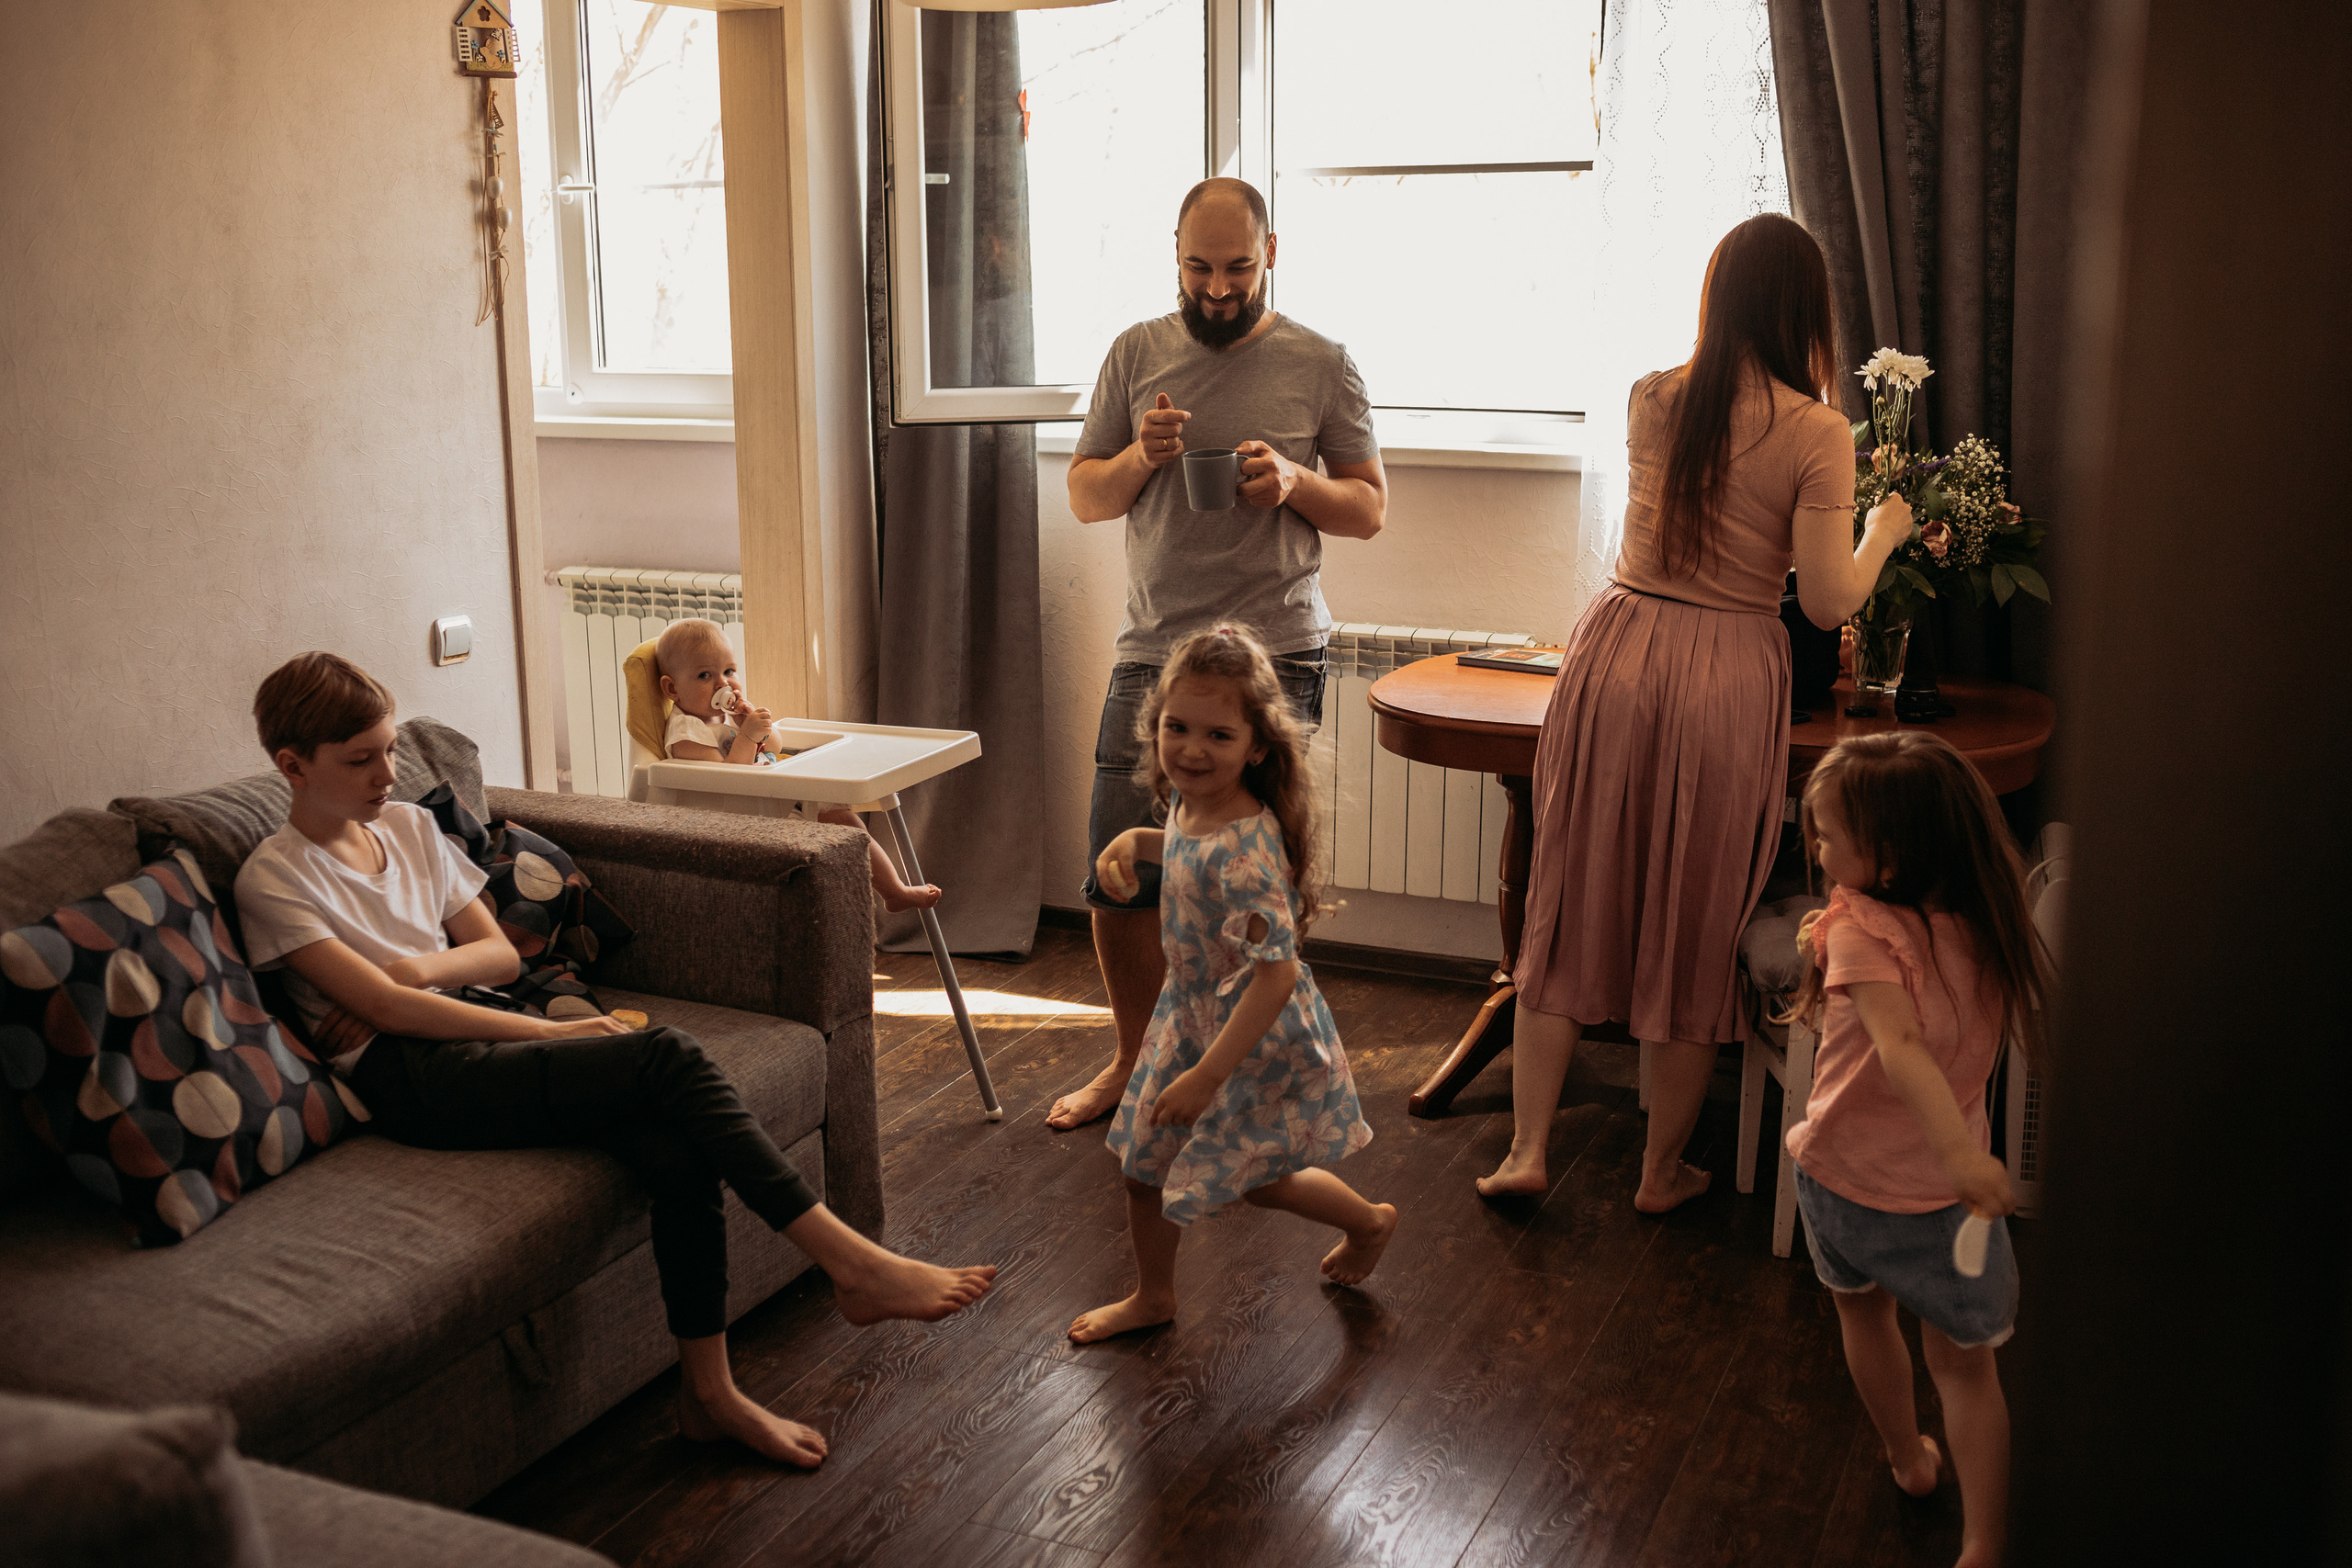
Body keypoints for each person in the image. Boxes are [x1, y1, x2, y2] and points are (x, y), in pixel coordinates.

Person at [232, 652, 995, 1469]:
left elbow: (494, 956)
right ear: (292, 765)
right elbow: (385, 1016)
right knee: (662, 1054)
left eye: (389, 748)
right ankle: (851, 1262)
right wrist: (552, 1033)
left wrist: (417, 965)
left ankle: (710, 1395)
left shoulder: (413, 829)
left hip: (474, 1018)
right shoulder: (274, 879)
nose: (389, 771)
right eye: (361, 759)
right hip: (410, 1076)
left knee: (673, 1142)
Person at [1476, 213, 1917, 1213]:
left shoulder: (1652, 397)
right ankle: (1658, 1170)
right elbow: (1825, 602)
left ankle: (1528, 1150)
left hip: (1618, 647)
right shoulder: (1816, 431)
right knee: (1691, 918)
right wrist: (1884, 531)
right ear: (1807, 310)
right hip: (1722, 665)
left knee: (1567, 897)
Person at [1050, 175, 1387, 1133]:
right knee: (1117, 872)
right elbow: (1086, 496)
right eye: (1198, 267)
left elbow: (1368, 507)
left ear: (1270, 253)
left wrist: (1292, 482)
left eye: (1237, 266)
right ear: (1175, 255)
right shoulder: (1134, 353)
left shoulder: (1321, 362)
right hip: (1153, 653)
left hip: (1279, 652)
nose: (1217, 287)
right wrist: (1142, 459)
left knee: (1257, 885)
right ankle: (1132, 1060)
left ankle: (1241, 1071)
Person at [1069, 627, 1393, 1341]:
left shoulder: (1248, 849)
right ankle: (1155, 1295)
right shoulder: (1194, 807)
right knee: (1141, 1166)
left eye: (1218, 734)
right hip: (1188, 1019)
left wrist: (1209, 1075)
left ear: (1256, 746)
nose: (1190, 748)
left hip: (1248, 1037)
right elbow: (1188, 848)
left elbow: (1274, 977)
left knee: (1263, 1179)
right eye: (1175, 727)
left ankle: (1368, 1222)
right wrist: (1137, 841)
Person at [1781, 730, 2050, 1568]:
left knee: (1862, 1311)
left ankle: (1908, 1459)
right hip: (1934, 1188)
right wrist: (1966, 1158)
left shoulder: (1864, 928)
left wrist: (1967, 1165)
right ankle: (1984, 1540)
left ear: (1889, 858)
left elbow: (1901, 1049)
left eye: (1828, 835)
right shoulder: (1992, 916)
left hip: (1858, 1176)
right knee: (1965, 1368)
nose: (1817, 848)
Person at [655, 617, 940, 914]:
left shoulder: (725, 719)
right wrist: (747, 736)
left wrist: (754, 727)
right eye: (704, 675)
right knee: (833, 825)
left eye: (729, 671)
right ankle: (878, 894)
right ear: (672, 688)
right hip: (740, 820)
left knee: (842, 817)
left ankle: (893, 890)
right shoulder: (685, 731)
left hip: (768, 800)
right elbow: (728, 782)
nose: (723, 684)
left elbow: (775, 745)